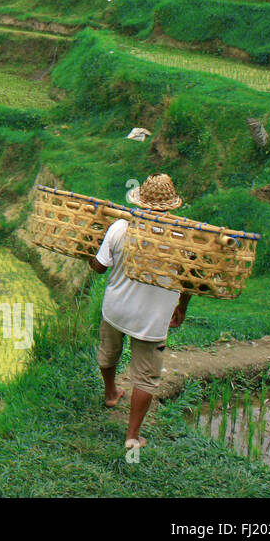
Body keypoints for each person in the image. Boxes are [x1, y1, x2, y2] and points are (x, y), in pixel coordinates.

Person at [88, 173, 192, 451]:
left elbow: (99, 267)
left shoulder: (120, 227)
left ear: (139, 201)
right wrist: (181, 307)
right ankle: (132, 437)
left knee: (109, 352)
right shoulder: (182, 237)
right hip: (152, 318)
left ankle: (111, 393)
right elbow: (190, 279)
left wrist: (89, 249)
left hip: (116, 309)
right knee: (146, 377)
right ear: (171, 207)